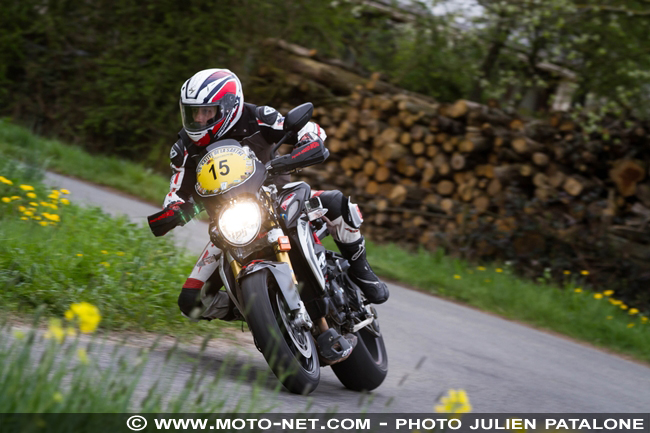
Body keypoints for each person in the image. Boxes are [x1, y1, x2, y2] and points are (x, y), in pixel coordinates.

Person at [156, 68, 389, 322]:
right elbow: (176, 191)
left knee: (336, 203)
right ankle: (259, 309)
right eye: (194, 113)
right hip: (229, 224)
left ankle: (362, 270)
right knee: (191, 302)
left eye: (207, 112)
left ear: (228, 106)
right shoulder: (183, 149)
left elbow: (303, 128)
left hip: (277, 196)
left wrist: (308, 141)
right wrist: (174, 209)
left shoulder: (257, 116)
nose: (199, 120)